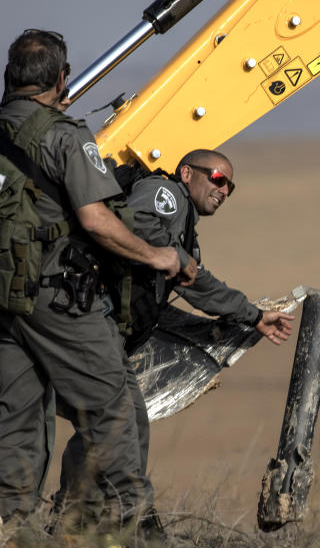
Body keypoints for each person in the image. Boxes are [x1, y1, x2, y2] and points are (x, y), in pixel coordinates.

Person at [0, 29, 183, 528]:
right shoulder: (64, 134)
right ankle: (127, 528)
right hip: (57, 295)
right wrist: (156, 256)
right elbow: (96, 220)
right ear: (60, 78)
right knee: (112, 408)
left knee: (17, 413)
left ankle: (5, 531)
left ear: (10, 76)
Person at [52, 148, 294, 527]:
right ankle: (108, 520)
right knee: (119, 421)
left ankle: (79, 516)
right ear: (187, 173)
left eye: (231, 186)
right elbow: (137, 223)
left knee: (121, 422)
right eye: (217, 178)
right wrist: (176, 258)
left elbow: (199, 285)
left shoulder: (184, 231)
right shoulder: (167, 196)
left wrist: (254, 316)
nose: (224, 190)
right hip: (90, 327)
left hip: (106, 336)